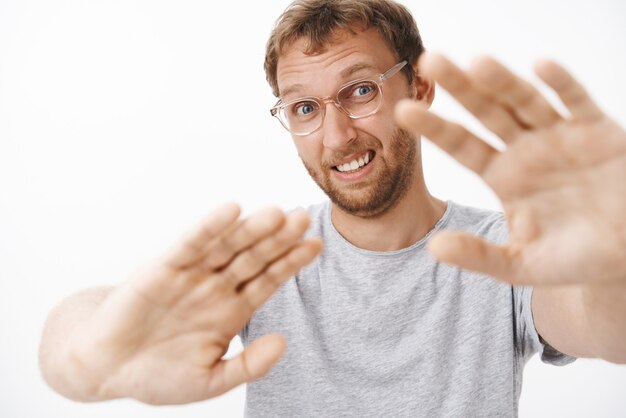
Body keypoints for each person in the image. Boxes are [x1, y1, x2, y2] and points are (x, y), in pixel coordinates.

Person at [39, 0, 626, 416]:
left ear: (419, 87)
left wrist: (613, 264)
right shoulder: (270, 256)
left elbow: (607, 329)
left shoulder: (507, 250)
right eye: (304, 108)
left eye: (361, 90)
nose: (337, 135)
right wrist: (84, 360)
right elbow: (89, 324)